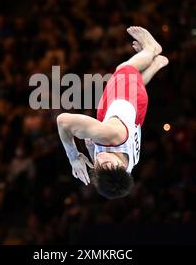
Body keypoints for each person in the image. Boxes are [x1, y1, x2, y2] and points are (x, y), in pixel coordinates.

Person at [57, 26, 169, 199]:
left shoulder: (120, 168)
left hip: (133, 116)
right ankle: (152, 49)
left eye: (98, 168)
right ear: (121, 167)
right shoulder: (110, 135)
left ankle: (156, 64)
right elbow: (63, 121)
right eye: (105, 164)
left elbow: (101, 158)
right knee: (124, 69)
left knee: (134, 81)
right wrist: (72, 156)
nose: (99, 161)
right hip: (127, 101)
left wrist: (91, 147)